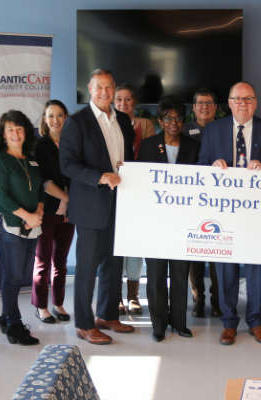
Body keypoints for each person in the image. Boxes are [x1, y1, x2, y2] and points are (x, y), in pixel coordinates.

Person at [197, 81, 261, 345]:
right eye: (238, 99)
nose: (243, 104)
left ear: (256, 103)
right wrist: (213, 166)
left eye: (248, 99)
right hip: (224, 212)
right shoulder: (213, 130)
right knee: (226, 267)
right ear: (230, 102)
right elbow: (200, 166)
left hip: (258, 213)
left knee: (257, 266)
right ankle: (229, 323)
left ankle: (257, 321)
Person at [60, 68, 135, 345]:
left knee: (115, 265)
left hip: (121, 203)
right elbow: (67, 164)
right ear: (90, 89)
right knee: (87, 268)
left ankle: (106, 314)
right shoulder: (77, 122)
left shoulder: (124, 120)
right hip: (91, 206)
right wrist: (99, 176)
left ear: (115, 89)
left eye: (109, 87)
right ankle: (83, 323)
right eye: (99, 87)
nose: (105, 92)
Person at [137, 95, 200, 342]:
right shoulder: (149, 145)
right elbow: (141, 180)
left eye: (178, 118)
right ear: (161, 121)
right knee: (156, 275)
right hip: (155, 223)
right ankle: (159, 325)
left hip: (184, 222)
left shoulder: (193, 147)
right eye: (168, 118)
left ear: (184, 121)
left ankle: (179, 323)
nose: (174, 122)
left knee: (179, 273)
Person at [0, 110, 45, 346]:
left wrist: (38, 214)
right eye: (10, 129)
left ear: (26, 132)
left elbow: (41, 189)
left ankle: (5, 317)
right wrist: (28, 216)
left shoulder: (31, 159)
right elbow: (1, 197)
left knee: (21, 274)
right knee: (13, 275)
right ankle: (14, 326)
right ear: (2, 134)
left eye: (19, 128)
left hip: (32, 224)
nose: (15, 133)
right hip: (8, 225)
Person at [32, 100, 75, 324]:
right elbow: (45, 182)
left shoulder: (73, 144)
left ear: (66, 117)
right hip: (48, 210)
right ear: (44, 120)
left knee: (61, 260)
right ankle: (40, 307)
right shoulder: (40, 146)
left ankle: (58, 303)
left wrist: (73, 206)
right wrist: (70, 200)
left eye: (60, 115)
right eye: (51, 116)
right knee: (43, 260)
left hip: (69, 213)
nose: (55, 120)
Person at [114, 84, 154, 315]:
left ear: (135, 102)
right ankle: (117, 295)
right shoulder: (108, 124)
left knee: (136, 245)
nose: (123, 103)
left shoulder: (145, 125)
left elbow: (148, 155)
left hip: (139, 192)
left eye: (128, 99)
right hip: (114, 191)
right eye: (119, 99)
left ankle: (133, 297)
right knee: (117, 246)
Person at [183, 87, 222, 318]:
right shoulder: (184, 130)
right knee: (194, 251)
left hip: (220, 200)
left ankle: (217, 299)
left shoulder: (225, 129)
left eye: (209, 103)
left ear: (216, 106)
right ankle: (198, 297)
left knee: (219, 250)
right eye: (200, 103)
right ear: (194, 107)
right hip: (192, 200)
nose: (205, 107)